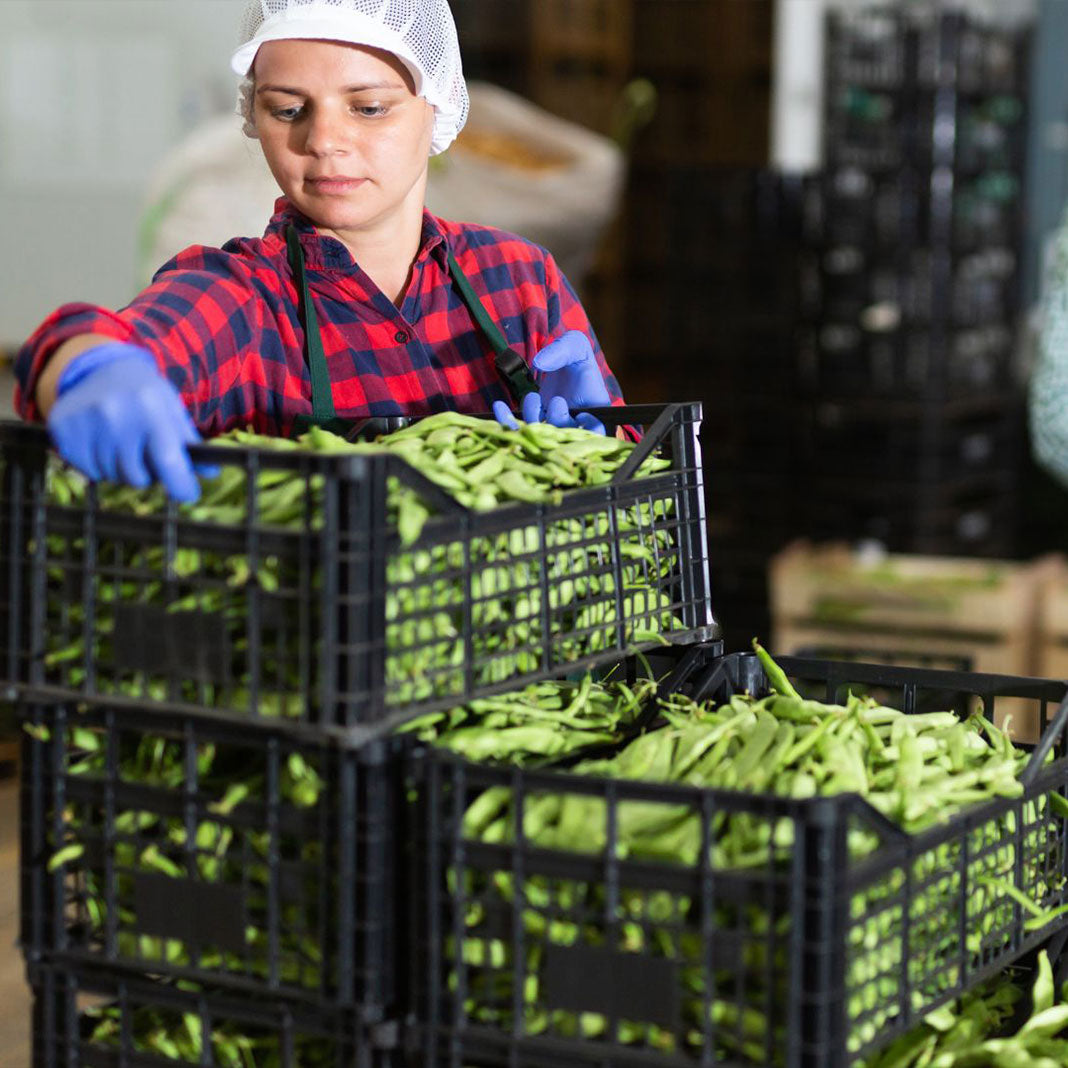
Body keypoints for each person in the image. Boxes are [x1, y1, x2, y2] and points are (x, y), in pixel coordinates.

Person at [13, 0, 625, 502]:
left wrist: (605, 445)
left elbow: (629, 503)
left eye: (369, 107)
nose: (325, 140)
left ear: (436, 106)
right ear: (253, 115)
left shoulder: (518, 280)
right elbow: (109, 340)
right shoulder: (244, 299)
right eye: (287, 109)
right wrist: (87, 368)